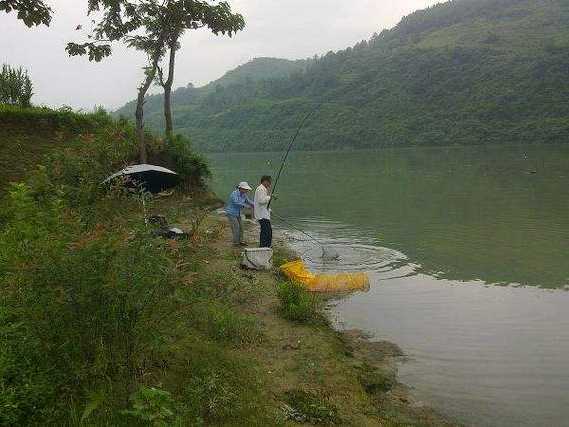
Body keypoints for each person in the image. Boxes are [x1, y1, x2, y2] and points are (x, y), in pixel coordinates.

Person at [225, 181, 253, 246]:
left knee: (241, 227)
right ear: (240, 188)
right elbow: (236, 202)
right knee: (236, 227)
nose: (247, 190)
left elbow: (248, 201)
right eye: (245, 189)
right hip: (231, 213)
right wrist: (245, 206)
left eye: (247, 189)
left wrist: (255, 205)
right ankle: (235, 242)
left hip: (238, 213)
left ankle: (241, 241)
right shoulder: (234, 194)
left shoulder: (244, 194)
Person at [254, 175, 274, 248]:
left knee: (266, 232)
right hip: (262, 216)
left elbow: (264, 204)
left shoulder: (263, 189)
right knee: (267, 232)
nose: (270, 184)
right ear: (265, 181)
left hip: (264, 214)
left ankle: (265, 246)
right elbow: (261, 201)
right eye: (269, 182)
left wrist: (269, 210)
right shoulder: (261, 189)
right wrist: (270, 197)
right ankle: (264, 247)